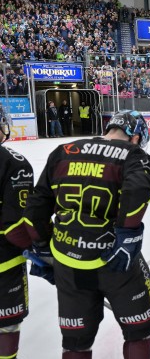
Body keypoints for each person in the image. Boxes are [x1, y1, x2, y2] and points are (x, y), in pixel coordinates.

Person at [19, 110, 150, 359]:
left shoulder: (64, 151)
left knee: (75, 341)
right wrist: (127, 236)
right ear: (135, 137)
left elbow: (34, 210)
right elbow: (137, 192)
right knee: (139, 331)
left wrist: (42, 246)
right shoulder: (133, 154)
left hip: (68, 262)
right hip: (115, 261)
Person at [0, 105, 34, 359]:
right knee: (7, 324)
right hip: (4, 263)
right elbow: (15, 225)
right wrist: (42, 251)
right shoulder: (14, 163)